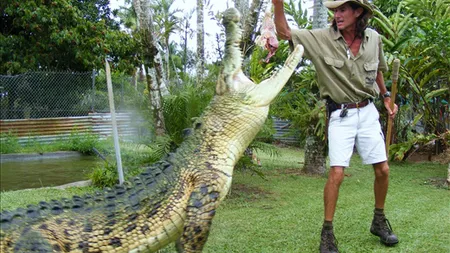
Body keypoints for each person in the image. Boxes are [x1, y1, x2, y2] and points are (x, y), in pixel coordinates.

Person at [271, 0, 399, 252]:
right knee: (337, 173)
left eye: (342, 10)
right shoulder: (321, 39)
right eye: (334, 11)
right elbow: (284, 32)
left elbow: (379, 69)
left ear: (358, 11)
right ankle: (327, 233)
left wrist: (385, 97)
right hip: (340, 115)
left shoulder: (374, 39)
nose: (337, 15)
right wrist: (278, 4)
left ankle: (378, 221)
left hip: (368, 110)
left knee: (383, 170)